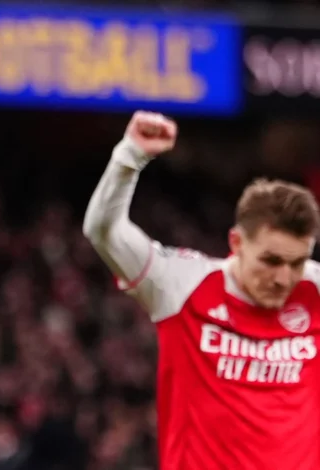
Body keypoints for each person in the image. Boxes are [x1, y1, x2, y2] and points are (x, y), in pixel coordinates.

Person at [83, 111, 320, 469]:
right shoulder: (181, 284)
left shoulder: (314, 289)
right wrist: (130, 155)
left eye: (297, 262)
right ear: (236, 242)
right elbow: (104, 232)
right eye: (270, 261)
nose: (284, 278)